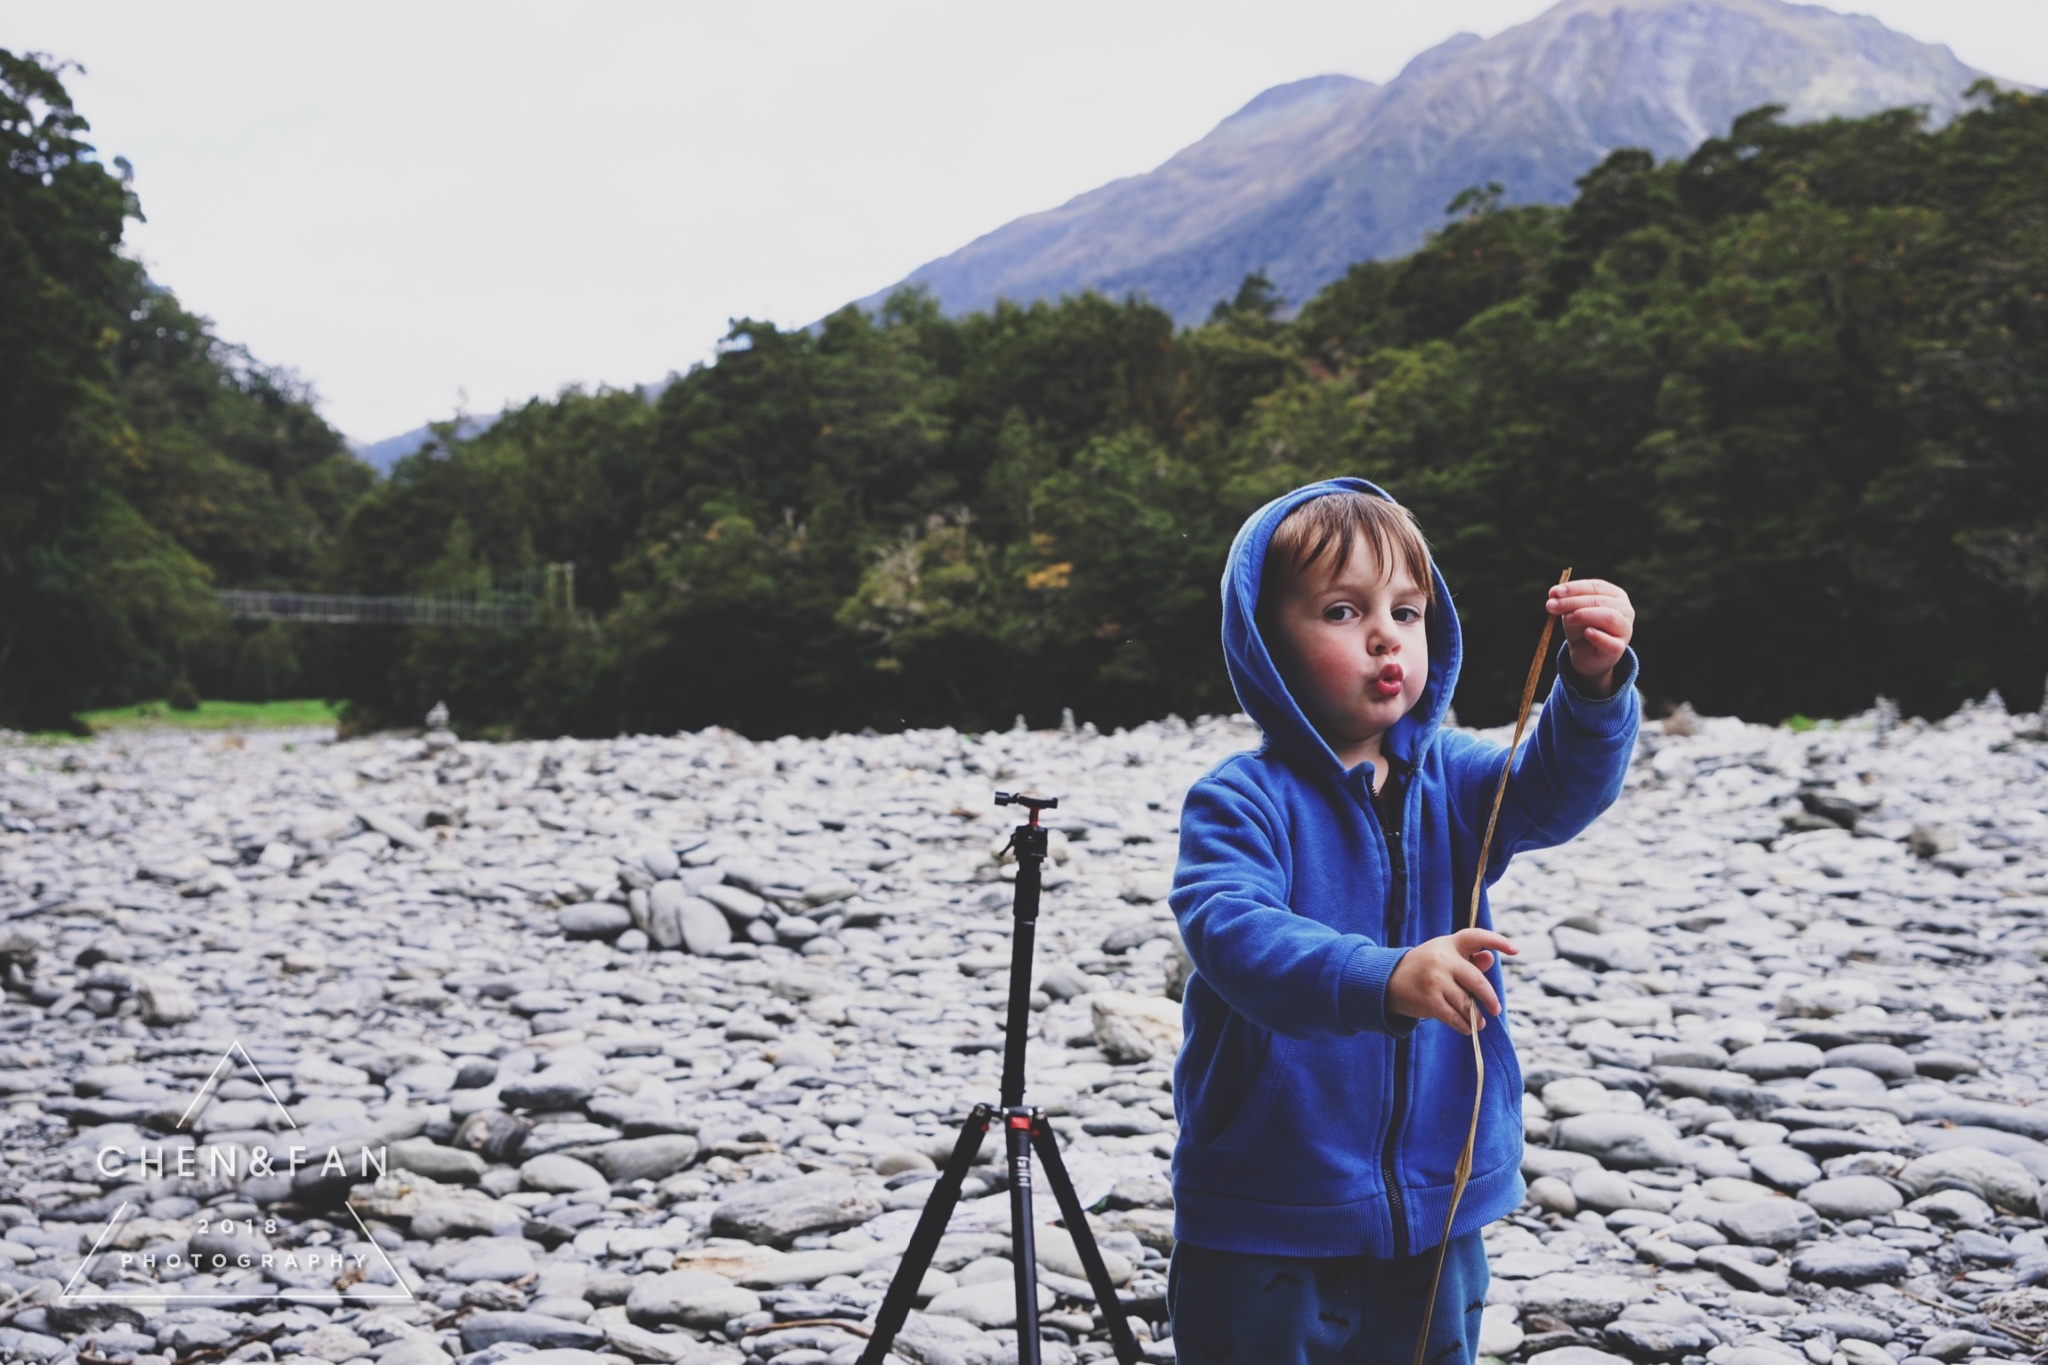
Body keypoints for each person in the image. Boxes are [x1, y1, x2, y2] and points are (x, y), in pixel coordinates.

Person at [1165, 477, 1640, 1364]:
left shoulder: (1454, 777)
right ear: (1267, 645)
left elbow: (1554, 791)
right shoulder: (1241, 799)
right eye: (1344, 611)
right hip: (1271, 1199)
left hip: (1438, 1191)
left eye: (1408, 611)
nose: (1387, 634)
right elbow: (1232, 930)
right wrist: (1383, 975)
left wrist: (1594, 682)